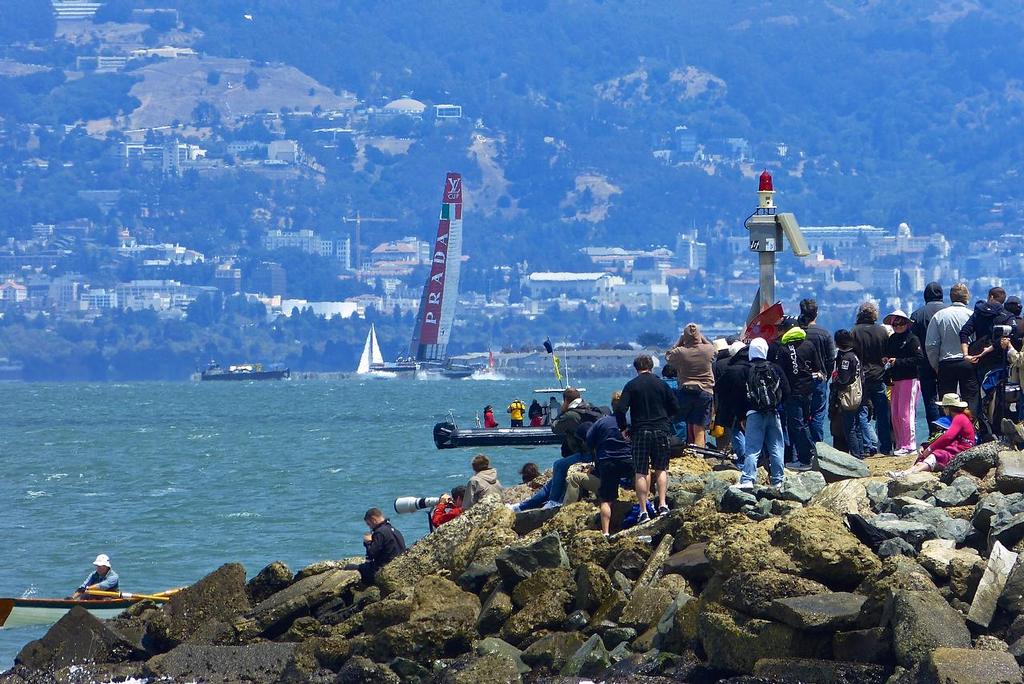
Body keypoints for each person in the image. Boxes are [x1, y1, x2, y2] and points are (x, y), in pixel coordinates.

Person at [615, 354, 680, 522]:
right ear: (651, 366)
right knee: (661, 469)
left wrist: (623, 428)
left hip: (640, 431)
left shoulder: (631, 385)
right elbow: (675, 407)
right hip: (661, 430)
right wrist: (667, 421)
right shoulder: (661, 384)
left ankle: (643, 510)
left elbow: (620, 409)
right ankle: (663, 504)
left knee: (641, 471)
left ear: (636, 368)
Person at [735, 337, 790, 489]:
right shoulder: (775, 368)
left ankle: (747, 479)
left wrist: (741, 416)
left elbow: (740, 396)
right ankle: (778, 480)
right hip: (773, 412)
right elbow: (786, 391)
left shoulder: (746, 369)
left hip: (753, 413)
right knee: (777, 447)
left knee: (752, 448)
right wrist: (777, 405)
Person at [889, 394, 976, 478]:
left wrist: (930, 448)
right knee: (928, 456)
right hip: (958, 447)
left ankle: (910, 473)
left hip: (961, 449)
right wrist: (926, 446)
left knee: (936, 454)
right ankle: (908, 472)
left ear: (948, 408)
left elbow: (948, 436)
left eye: (944, 407)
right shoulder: (959, 417)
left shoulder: (959, 418)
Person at [585, 392, 636, 535]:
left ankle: (606, 531)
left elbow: (589, 441)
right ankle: (644, 508)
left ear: (612, 406)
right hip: (628, 460)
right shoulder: (631, 422)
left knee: (606, 499)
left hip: (607, 462)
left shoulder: (602, 422)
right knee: (642, 475)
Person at [959, 286, 1014, 416]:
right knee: (1000, 393)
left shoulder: (978, 313)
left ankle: (980, 427)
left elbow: (964, 332)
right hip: (999, 360)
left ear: (990, 297)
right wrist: (990, 349)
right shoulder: (1006, 316)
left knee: (978, 394)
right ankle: (998, 424)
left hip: (978, 360)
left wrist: (966, 354)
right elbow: (1007, 337)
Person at [926, 283, 975, 414]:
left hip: (946, 363)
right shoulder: (972, 315)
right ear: (967, 297)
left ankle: (947, 429)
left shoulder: (940, 316)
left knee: (946, 404)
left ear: (951, 297)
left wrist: (936, 365)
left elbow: (931, 345)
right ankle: (970, 429)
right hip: (968, 363)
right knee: (969, 401)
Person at [851, 302, 892, 456]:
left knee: (862, 412)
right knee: (882, 414)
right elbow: (886, 353)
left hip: (861, 378)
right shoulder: (881, 331)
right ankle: (886, 446)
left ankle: (868, 446)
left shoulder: (854, 332)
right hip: (879, 375)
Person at [665, 323, 716, 447]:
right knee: (699, 427)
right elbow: (715, 350)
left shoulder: (680, 352)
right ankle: (699, 455)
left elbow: (668, 356)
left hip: (685, 390)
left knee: (678, 421)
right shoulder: (708, 350)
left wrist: (680, 341)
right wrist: (701, 337)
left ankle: (676, 449)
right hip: (705, 391)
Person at [883, 310, 925, 455]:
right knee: (895, 413)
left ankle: (910, 445)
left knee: (906, 412)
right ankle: (901, 444)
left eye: (901, 323)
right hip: (895, 380)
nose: (898, 326)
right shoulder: (892, 339)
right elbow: (888, 356)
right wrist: (886, 362)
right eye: (895, 323)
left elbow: (919, 358)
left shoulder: (912, 339)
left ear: (907, 324)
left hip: (910, 379)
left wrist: (898, 362)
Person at [778, 325, 819, 469]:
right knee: (805, 422)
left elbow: (781, 373)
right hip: (808, 389)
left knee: (797, 425)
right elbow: (816, 366)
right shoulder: (808, 345)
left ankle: (806, 458)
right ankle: (808, 455)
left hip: (792, 392)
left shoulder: (783, 349)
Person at [799, 299, 835, 443]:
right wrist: (827, 374)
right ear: (817, 313)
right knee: (818, 414)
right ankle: (819, 447)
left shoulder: (798, 333)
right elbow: (831, 358)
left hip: (800, 380)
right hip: (820, 378)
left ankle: (805, 448)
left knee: (802, 415)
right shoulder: (824, 334)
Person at [833, 329, 864, 457]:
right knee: (856, 426)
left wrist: (835, 382)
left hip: (848, 396)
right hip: (857, 394)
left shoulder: (846, 359)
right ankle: (861, 452)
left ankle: (856, 455)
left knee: (848, 428)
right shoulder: (855, 355)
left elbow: (844, 380)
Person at [357, 508, 406, 584]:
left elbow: (371, 554)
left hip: (383, 570)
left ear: (373, 520)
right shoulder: (395, 530)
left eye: (369, 524)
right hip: (399, 567)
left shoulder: (379, 532)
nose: (370, 527)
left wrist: (368, 542)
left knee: (350, 568)